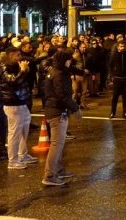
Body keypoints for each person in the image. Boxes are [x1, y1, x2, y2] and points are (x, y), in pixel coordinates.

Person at [42, 50, 82, 186]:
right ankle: (49, 175)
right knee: (56, 145)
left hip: (55, 110)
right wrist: (75, 108)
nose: (70, 62)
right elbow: (62, 95)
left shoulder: (55, 72)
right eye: (68, 60)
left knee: (59, 143)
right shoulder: (59, 75)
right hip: (57, 112)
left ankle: (58, 169)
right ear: (63, 61)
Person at [0, 47, 37, 170]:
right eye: (18, 55)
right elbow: (12, 82)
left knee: (24, 129)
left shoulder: (16, 66)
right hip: (12, 103)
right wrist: (23, 71)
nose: (20, 58)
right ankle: (13, 160)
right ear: (10, 56)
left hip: (22, 101)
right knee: (14, 132)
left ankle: (22, 154)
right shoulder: (3, 68)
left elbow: (24, 81)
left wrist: (25, 71)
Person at [109, 41, 126, 119]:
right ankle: (113, 112)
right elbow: (110, 66)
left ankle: (125, 113)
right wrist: (112, 76)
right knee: (115, 97)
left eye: (123, 46)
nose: (122, 48)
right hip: (117, 79)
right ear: (118, 47)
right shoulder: (114, 55)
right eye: (120, 46)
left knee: (125, 97)